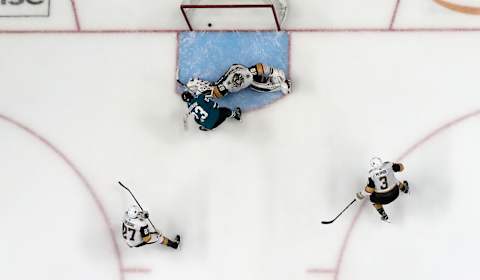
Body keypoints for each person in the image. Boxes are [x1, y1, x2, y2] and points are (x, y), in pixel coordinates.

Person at [185, 63, 292, 98]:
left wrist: (275, 73)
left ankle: (199, 86)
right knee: (218, 89)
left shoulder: (249, 77)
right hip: (236, 73)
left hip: (237, 72)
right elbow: (260, 69)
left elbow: (260, 69)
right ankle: (200, 86)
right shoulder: (249, 77)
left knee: (218, 89)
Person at [355, 157, 409, 221]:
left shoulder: (371, 174)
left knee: (373, 199)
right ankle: (405, 189)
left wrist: (361, 195)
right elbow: (401, 168)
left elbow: (370, 189)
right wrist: (394, 167)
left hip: (382, 199)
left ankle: (384, 215)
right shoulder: (388, 165)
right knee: (394, 180)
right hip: (395, 193)